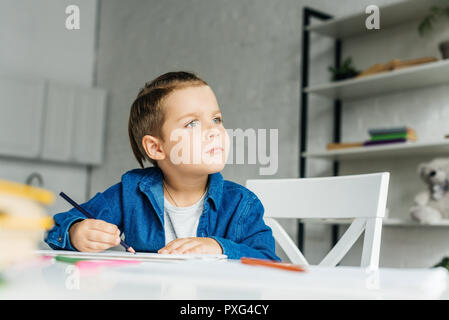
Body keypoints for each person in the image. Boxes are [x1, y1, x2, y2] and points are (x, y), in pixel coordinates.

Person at [45, 71, 280, 261]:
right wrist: (76, 232)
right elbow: (58, 226)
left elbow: (268, 261)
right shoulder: (131, 192)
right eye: (192, 123)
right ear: (157, 148)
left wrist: (218, 247)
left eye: (216, 119)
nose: (214, 131)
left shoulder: (241, 203)